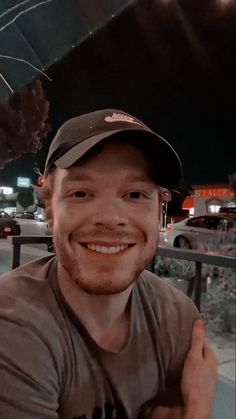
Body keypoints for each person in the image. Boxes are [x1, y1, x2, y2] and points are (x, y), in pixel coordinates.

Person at [0, 109, 218, 418]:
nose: (111, 218)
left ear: (159, 211)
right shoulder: (11, 326)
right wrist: (198, 408)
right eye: (81, 193)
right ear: (50, 209)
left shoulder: (177, 318)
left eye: (134, 194)